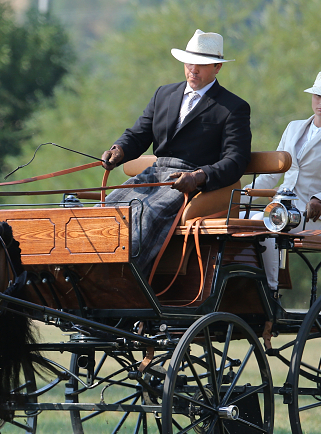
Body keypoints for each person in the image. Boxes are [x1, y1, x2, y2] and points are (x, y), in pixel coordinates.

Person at [100, 30, 251, 275]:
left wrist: (199, 176)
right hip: (154, 174)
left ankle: (124, 279)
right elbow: (139, 133)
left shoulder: (233, 108)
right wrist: (119, 150)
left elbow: (236, 160)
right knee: (109, 209)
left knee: (146, 215)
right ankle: (89, 272)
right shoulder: (164, 94)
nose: (193, 69)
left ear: (217, 67)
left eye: (201, 65)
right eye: (189, 62)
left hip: (190, 182)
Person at [243, 71, 321, 295]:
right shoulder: (294, 127)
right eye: (318, 96)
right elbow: (272, 174)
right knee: (237, 220)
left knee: (263, 224)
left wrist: (319, 200)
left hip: (307, 216)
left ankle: (270, 293)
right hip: (278, 208)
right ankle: (243, 286)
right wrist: (240, 194)